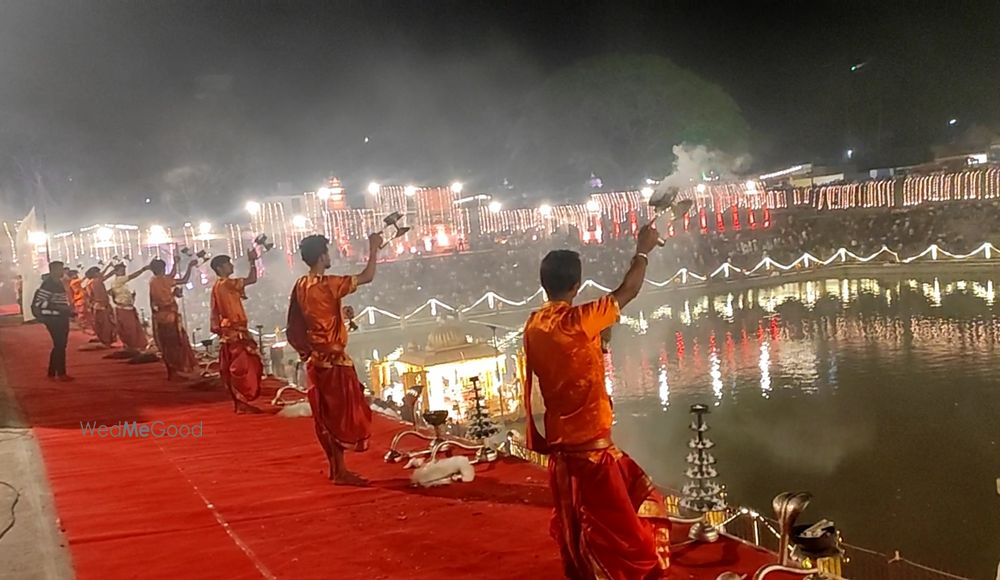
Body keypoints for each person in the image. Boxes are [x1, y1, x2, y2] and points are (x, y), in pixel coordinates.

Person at [522, 223, 671, 579]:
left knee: (582, 525)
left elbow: (566, 366)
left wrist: (599, 343)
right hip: (592, 450)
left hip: (563, 450)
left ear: (545, 284)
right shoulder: (577, 320)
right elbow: (629, 289)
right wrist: (643, 249)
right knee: (626, 525)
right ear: (576, 286)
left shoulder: (534, 325)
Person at [286, 233, 381, 485]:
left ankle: (336, 468)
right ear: (321, 257)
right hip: (335, 361)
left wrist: (339, 311)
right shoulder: (329, 283)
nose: (330, 256)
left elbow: (303, 320)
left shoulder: (301, 284)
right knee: (342, 416)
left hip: (316, 360)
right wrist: (373, 248)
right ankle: (339, 471)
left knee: (326, 417)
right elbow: (368, 276)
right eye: (327, 252)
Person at [209, 250, 263, 413]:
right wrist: (252, 262)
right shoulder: (226, 283)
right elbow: (252, 279)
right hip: (235, 332)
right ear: (220, 268)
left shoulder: (217, 286)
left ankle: (240, 402)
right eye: (228, 263)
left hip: (228, 331)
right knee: (242, 368)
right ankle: (242, 402)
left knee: (235, 367)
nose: (231, 266)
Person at [149, 255, 199, 381]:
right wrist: (189, 266)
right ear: (163, 268)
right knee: (177, 343)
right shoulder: (165, 280)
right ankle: (180, 368)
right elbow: (184, 280)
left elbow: (169, 278)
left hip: (160, 316)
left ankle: (172, 370)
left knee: (166, 345)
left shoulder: (153, 281)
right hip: (170, 316)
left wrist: (176, 264)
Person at [31, 262, 74, 381]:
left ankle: (53, 372)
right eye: (60, 269)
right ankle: (60, 373)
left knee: (60, 345)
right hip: (54, 318)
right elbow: (40, 302)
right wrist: (59, 308)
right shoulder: (48, 285)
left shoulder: (58, 283)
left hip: (60, 317)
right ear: (53, 270)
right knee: (60, 344)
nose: (62, 272)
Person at [109, 262, 151, 351]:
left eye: (124, 270)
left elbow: (112, 294)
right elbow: (132, 276)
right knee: (129, 330)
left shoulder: (121, 284)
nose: (123, 272)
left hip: (127, 308)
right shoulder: (118, 281)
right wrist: (144, 269)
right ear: (116, 272)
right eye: (121, 270)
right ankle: (132, 347)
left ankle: (133, 347)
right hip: (123, 309)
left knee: (134, 329)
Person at [85, 263, 118, 347]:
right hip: (101, 305)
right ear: (95, 274)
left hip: (97, 305)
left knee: (101, 324)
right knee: (105, 325)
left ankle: (105, 341)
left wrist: (111, 270)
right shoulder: (96, 282)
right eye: (98, 272)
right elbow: (100, 295)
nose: (100, 273)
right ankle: (106, 342)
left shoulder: (90, 282)